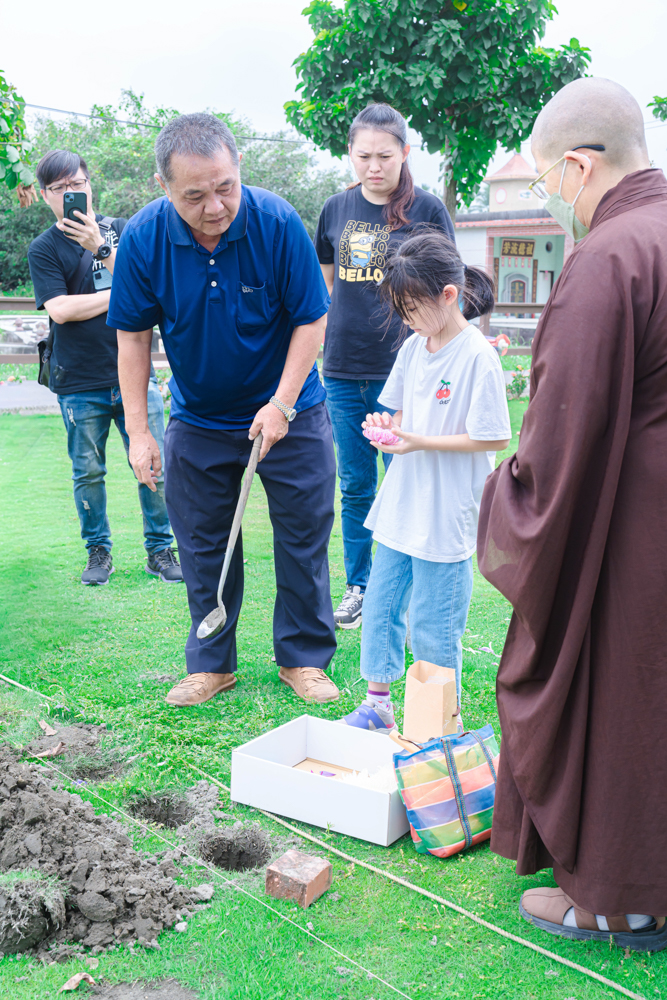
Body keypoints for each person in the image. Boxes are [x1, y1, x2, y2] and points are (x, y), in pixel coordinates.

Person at [477, 77, 667, 949]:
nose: (551, 195)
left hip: (633, 529)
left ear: (579, 166)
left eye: (548, 178)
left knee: (630, 693)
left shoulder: (610, 255)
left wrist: (506, 499)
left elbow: (560, 435)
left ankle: (622, 899)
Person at [107, 113, 339, 708]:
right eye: (194, 196)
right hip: (199, 419)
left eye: (225, 187)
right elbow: (132, 339)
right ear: (164, 187)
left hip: (292, 410)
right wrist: (139, 431)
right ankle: (212, 664)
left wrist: (281, 403)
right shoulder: (144, 239)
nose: (215, 207)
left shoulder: (277, 222)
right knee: (203, 544)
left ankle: (304, 658)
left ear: (239, 168)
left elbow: (312, 319)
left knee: (303, 538)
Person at [338, 229, 510, 734]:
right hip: (402, 502)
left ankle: (439, 725)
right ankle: (377, 705)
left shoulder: (477, 356)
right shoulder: (415, 347)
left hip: (446, 511)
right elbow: (397, 414)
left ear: (448, 295)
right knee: (381, 606)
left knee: (435, 625)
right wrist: (387, 429)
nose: (406, 319)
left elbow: (492, 437)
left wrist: (418, 441)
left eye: (411, 308)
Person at [314, 104, 455, 630]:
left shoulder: (428, 209)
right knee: (355, 485)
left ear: (405, 153)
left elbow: (449, 287)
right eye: (364, 156)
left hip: (407, 371)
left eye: (385, 156)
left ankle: (410, 589)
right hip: (343, 370)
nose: (374, 166)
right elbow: (327, 283)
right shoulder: (336, 208)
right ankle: (360, 586)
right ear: (350, 154)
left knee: (407, 479)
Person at [28, 150, 181, 587]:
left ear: (90, 186)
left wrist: (101, 246)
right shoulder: (44, 248)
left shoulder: (122, 231)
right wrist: (120, 296)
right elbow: (60, 310)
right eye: (60, 188)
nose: (70, 193)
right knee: (88, 473)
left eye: (77, 184)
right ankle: (98, 552)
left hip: (135, 375)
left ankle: (160, 549)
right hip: (77, 380)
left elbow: (148, 287)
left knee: (154, 464)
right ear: (45, 195)